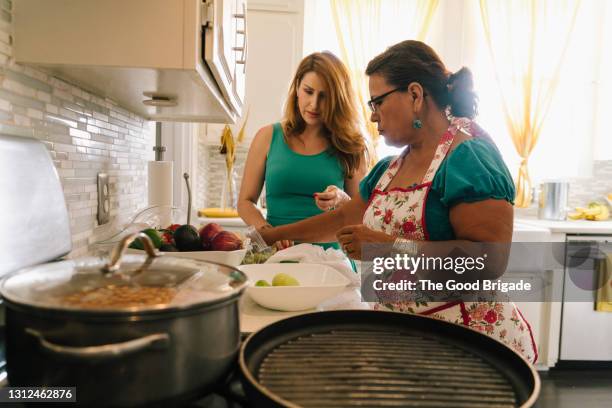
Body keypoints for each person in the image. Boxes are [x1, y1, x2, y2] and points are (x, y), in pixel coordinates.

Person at [257, 40, 537, 363]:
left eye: (377, 102)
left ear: (415, 96)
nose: (373, 116)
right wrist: (273, 235)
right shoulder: (389, 170)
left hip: (471, 347)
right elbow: (341, 219)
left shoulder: (468, 158)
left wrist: (387, 249)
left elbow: (488, 261)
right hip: (411, 345)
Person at [238, 51, 368, 251]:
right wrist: (268, 232)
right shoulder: (267, 137)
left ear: (337, 99)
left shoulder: (351, 146)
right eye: (308, 91)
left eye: (324, 96)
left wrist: (341, 199)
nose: (314, 104)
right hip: (277, 253)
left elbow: (361, 215)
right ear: (297, 87)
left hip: (330, 262)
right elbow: (245, 202)